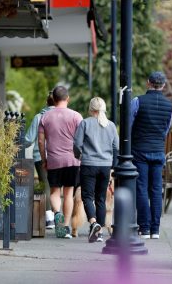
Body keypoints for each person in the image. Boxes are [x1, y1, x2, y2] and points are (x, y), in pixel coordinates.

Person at [130, 71, 172, 239]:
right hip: (158, 150)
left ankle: (144, 228)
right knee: (156, 190)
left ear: (148, 83)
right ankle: (155, 229)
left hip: (140, 150)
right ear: (163, 85)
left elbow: (130, 124)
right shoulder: (169, 106)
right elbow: (166, 128)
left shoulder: (137, 101)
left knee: (141, 188)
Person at [38, 86, 82, 239]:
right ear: (67, 98)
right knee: (68, 193)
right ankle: (65, 228)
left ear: (54, 99)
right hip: (72, 160)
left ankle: (57, 213)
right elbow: (82, 141)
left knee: (55, 192)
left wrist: (44, 159)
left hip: (54, 160)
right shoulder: (76, 116)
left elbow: (40, 141)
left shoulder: (45, 117)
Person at [73, 97, 119, 243]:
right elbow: (116, 147)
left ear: (91, 109)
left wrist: (79, 156)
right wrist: (113, 164)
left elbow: (77, 144)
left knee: (87, 196)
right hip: (105, 166)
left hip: (88, 164)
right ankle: (99, 234)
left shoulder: (85, 123)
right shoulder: (111, 125)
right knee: (101, 199)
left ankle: (94, 223)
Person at [24, 92, 55, 229]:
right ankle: (60, 219)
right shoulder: (65, 116)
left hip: (39, 157)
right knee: (57, 187)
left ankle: (49, 219)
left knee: (46, 186)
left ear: (47, 102)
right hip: (60, 156)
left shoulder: (39, 117)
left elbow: (28, 139)